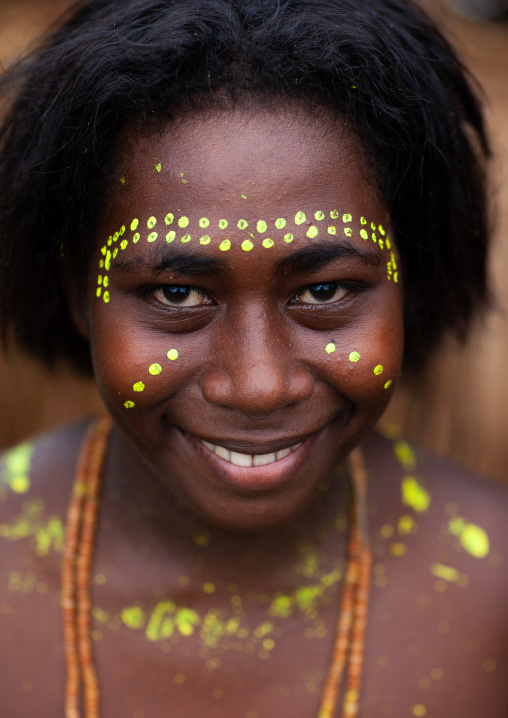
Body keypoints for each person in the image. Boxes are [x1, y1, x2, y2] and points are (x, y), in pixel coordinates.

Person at [0, 1, 507, 716]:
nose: (260, 385)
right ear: (77, 291)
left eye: (325, 290)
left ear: (412, 281)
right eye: (177, 293)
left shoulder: (493, 588)